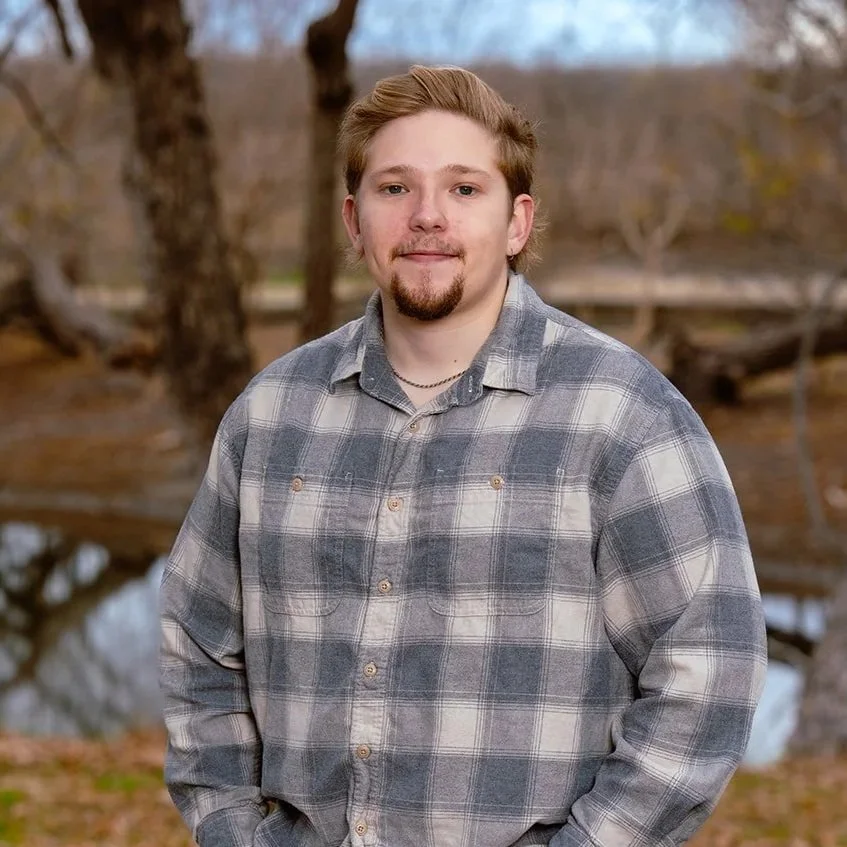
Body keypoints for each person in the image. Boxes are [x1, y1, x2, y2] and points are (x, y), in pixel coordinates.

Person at [160, 65, 767, 847]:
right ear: (353, 220)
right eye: (393, 189)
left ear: (517, 222)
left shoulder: (620, 415)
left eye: (463, 189)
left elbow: (709, 666)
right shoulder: (270, 415)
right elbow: (198, 639)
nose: (425, 217)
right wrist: (234, 828)